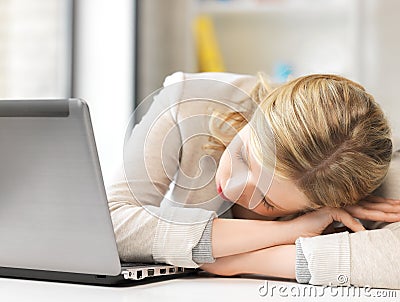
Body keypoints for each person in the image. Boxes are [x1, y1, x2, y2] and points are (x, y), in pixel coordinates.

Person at [106, 71, 400, 289]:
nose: (231, 187)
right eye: (243, 155)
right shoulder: (192, 101)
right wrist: (291, 231)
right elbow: (109, 223)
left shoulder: (366, 166)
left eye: (266, 201)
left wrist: (237, 262)